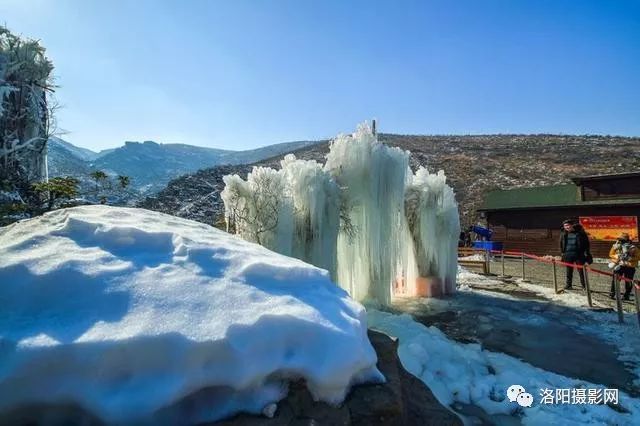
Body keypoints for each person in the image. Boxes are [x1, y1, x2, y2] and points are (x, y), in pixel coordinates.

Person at [559, 219, 592, 290]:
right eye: (565, 226)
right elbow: (561, 244)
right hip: (568, 254)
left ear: (571, 225)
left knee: (581, 271)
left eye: (568, 225)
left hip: (578, 255)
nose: (566, 227)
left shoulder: (580, 233)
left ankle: (584, 286)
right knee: (569, 271)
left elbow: (586, 244)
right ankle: (568, 285)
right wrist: (562, 253)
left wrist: (587, 254)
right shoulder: (563, 233)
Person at [608, 233, 640, 301]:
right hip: (619, 265)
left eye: (622, 240)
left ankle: (626, 296)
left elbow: (638, 257)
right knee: (615, 280)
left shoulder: (633, 247)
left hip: (629, 267)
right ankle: (612, 293)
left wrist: (630, 258)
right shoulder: (615, 246)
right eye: (619, 239)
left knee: (628, 282)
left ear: (627, 240)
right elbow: (611, 254)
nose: (620, 241)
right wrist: (617, 256)